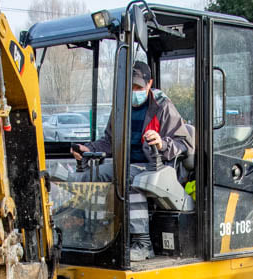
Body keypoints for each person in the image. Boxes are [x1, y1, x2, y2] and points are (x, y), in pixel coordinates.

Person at [71, 61, 193, 260]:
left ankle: (143, 243)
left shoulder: (163, 107)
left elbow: (183, 143)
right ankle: (98, 234)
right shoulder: (121, 107)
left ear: (149, 83)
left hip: (157, 165)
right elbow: (109, 142)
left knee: (129, 179)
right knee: (91, 175)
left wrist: (162, 143)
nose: (134, 91)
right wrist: (88, 149)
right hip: (126, 164)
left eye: (139, 87)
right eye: (131, 87)